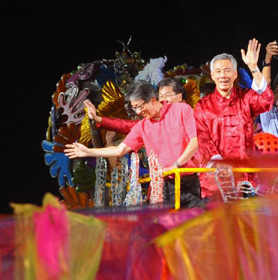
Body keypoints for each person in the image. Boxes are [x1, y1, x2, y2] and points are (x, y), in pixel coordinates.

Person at [64, 79, 202, 208]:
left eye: (139, 106)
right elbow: (119, 150)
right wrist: (88, 152)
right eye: (134, 108)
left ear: (152, 100)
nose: (137, 112)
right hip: (163, 186)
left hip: (190, 181)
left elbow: (194, 142)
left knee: (198, 227)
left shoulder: (181, 110)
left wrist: (176, 165)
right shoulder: (142, 127)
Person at [194, 39, 273, 161]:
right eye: (218, 71)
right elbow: (203, 137)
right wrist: (220, 166)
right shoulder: (202, 106)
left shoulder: (246, 97)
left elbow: (266, 100)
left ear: (235, 74)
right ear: (213, 76)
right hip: (217, 173)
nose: (223, 76)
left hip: (246, 172)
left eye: (227, 70)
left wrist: (253, 67)